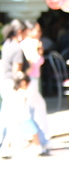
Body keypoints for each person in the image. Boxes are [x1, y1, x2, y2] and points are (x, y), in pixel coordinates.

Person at [0, 19, 28, 158]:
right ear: (19, 31)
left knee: (5, 114)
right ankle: (6, 145)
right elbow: (17, 71)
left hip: (4, 81)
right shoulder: (16, 48)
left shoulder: (6, 44)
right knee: (14, 116)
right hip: (12, 83)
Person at [20, 20, 50, 142]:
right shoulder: (29, 44)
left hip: (32, 78)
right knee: (32, 108)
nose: (40, 33)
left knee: (35, 107)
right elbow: (32, 62)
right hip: (29, 79)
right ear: (29, 31)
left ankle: (37, 134)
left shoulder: (32, 43)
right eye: (37, 30)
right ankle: (39, 135)